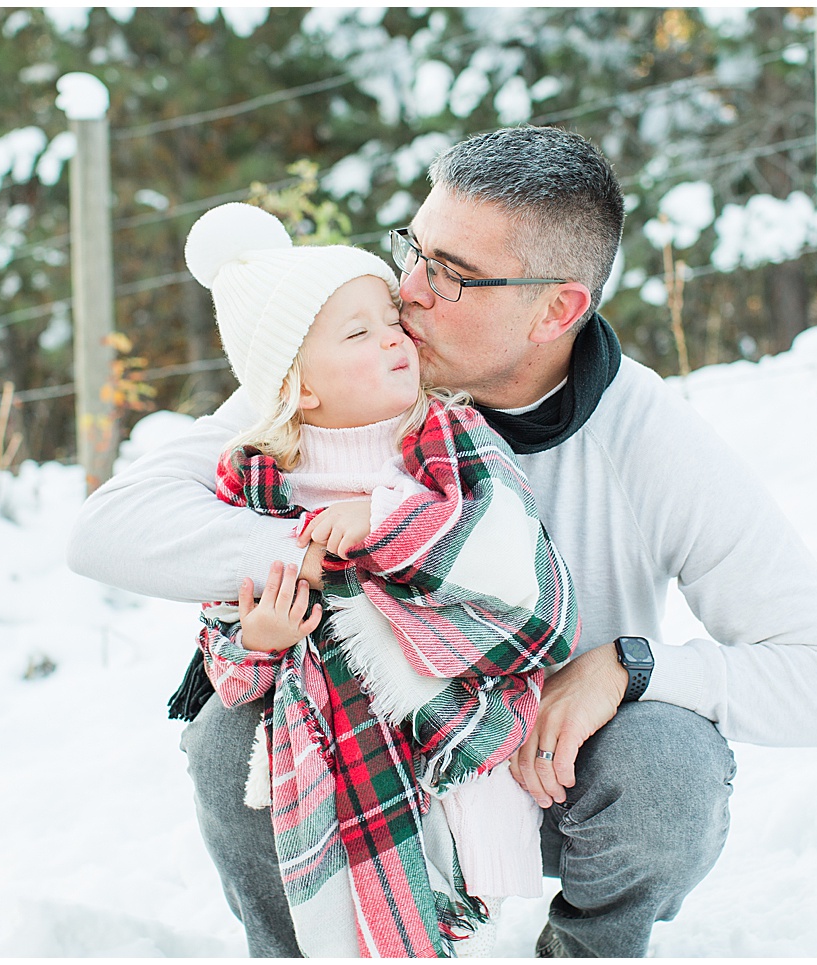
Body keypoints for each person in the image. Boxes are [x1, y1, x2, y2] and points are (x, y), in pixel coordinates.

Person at [68, 126, 817, 958]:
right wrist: (338, 556)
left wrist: (632, 665)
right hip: (357, 777)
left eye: (450, 274)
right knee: (225, 733)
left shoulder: (647, 440)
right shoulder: (346, 381)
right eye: (413, 249)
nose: (408, 289)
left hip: (538, 772)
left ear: (557, 308)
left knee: (671, 756)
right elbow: (109, 529)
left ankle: (584, 947)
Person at [174, 201, 577, 957]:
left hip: (458, 734)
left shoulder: (446, 433)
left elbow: (511, 556)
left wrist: (385, 519)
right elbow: (222, 644)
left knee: (462, 921)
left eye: (388, 318)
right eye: (359, 333)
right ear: (302, 388)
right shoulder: (259, 479)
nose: (395, 335)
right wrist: (261, 640)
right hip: (337, 759)